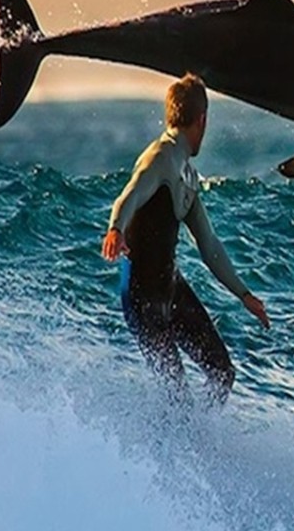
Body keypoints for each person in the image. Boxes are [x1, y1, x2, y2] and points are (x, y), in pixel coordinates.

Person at [101, 73, 270, 402]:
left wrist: (244, 295)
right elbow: (129, 195)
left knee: (223, 372)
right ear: (202, 119)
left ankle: (200, 441)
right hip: (140, 296)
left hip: (170, 288)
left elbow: (210, 247)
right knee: (176, 392)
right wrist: (116, 228)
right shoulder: (160, 158)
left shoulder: (188, 177)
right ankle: (168, 448)